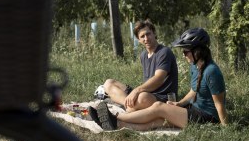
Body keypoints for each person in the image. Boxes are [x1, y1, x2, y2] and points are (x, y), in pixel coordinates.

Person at [92, 28, 228, 130]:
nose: (183, 55)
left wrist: (225, 128)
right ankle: (118, 124)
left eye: (186, 51)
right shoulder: (195, 66)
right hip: (194, 110)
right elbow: (194, 90)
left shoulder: (211, 71)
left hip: (207, 117)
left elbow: (219, 104)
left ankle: (115, 117)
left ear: (198, 51)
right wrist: (179, 104)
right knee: (158, 121)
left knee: (158, 107)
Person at [101, 19, 178, 112]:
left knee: (142, 97)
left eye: (148, 34)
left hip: (162, 97)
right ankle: (129, 106)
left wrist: (137, 91)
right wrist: (134, 93)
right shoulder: (143, 55)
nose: (146, 38)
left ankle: (130, 107)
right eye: (142, 36)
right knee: (109, 83)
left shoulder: (164, 52)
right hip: (147, 92)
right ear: (138, 40)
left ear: (154, 33)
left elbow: (159, 79)